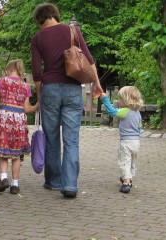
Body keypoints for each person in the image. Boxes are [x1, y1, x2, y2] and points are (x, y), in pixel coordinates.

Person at [30, 3, 104, 198]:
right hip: (72, 89)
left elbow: (37, 72)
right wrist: (97, 84)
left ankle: (54, 181)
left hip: (50, 90)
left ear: (40, 19)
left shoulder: (37, 38)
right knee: (71, 139)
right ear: (55, 15)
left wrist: (40, 94)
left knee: (52, 137)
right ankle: (70, 185)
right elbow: (89, 60)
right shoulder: (73, 30)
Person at [0, 59, 39, 195]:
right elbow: (27, 108)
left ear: (9, 69)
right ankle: (15, 185)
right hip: (19, 121)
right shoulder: (25, 86)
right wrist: (37, 106)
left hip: (4, 119)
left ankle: (4, 178)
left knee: (3, 150)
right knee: (16, 154)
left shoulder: (2, 81)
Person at [99, 86, 143, 193]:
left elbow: (112, 112)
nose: (118, 101)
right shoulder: (137, 113)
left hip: (126, 142)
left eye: (120, 99)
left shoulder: (125, 111)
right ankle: (130, 178)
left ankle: (126, 182)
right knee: (132, 161)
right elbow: (139, 128)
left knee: (124, 162)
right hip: (136, 142)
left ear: (126, 100)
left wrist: (105, 100)